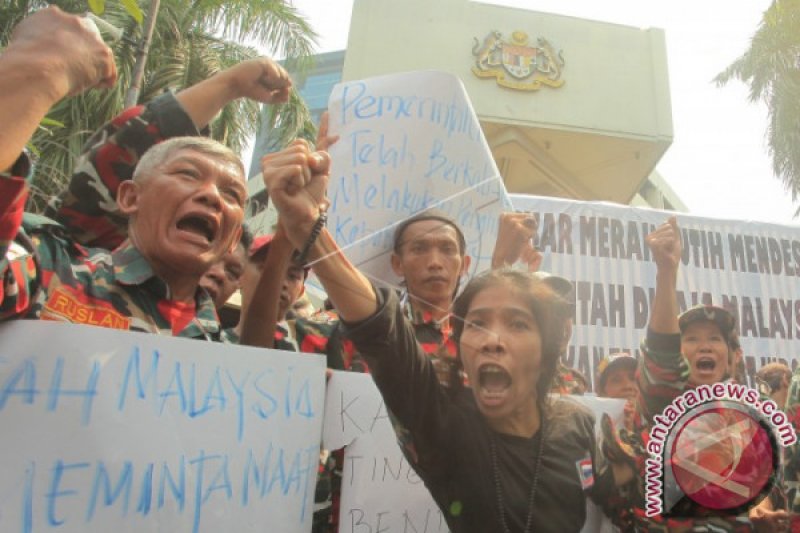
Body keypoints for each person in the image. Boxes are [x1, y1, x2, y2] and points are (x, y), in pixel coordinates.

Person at [261, 139, 621, 532]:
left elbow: (617, 497)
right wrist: (306, 228)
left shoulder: (579, 424)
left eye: (518, 324)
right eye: (478, 325)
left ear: (549, 344)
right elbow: (384, 332)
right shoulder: (446, 425)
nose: (493, 340)